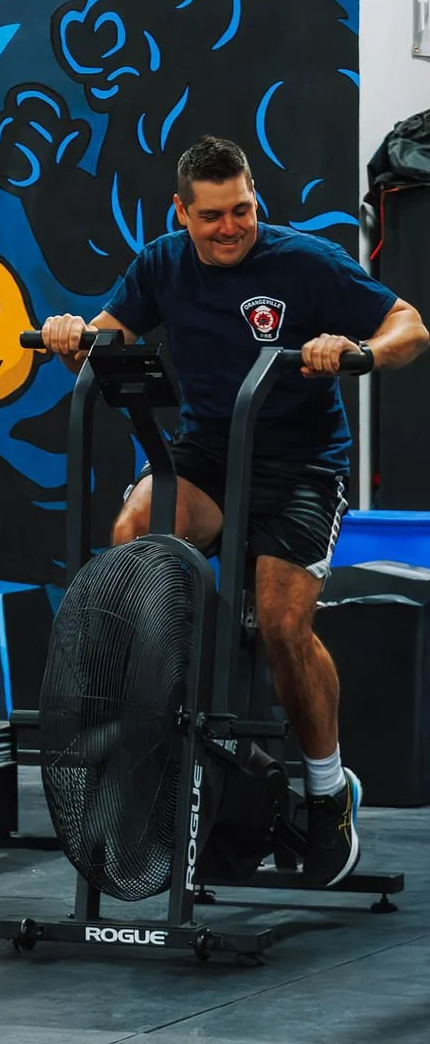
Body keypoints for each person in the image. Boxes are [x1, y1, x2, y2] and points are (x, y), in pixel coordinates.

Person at [41, 135, 428, 889]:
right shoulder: (161, 262)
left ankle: (326, 792)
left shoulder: (303, 261)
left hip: (302, 466)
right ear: (181, 212)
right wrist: (71, 338)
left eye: (242, 210)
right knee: (133, 538)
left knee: (284, 625)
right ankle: (153, 723)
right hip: (209, 456)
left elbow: (410, 324)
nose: (230, 227)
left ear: (257, 200)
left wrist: (357, 350)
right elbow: (103, 339)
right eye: (213, 215)